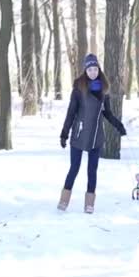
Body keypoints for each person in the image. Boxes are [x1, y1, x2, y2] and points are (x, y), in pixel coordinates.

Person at [57, 53, 127, 213]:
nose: (93, 72)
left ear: (99, 70)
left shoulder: (104, 89)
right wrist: (64, 133)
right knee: (74, 167)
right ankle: (64, 200)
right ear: (85, 71)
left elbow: (107, 113)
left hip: (96, 136)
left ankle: (89, 203)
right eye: (90, 69)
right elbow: (71, 112)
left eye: (95, 69)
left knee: (92, 170)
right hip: (79, 133)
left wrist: (118, 125)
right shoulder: (79, 88)